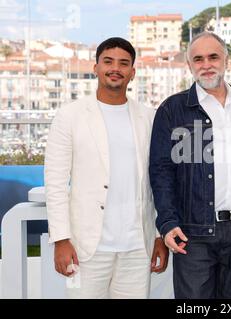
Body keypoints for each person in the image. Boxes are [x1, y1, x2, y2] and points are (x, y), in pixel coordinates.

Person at [44, 37, 168, 299]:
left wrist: (158, 235)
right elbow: (55, 183)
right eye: (108, 61)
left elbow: (158, 181)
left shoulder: (149, 118)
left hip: (137, 247)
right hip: (86, 247)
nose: (116, 68)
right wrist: (61, 239)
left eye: (124, 63)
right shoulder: (70, 116)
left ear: (132, 72)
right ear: (96, 67)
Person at [149, 32, 231, 299]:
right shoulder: (172, 109)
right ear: (189, 65)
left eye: (213, 56)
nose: (206, 64)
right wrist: (167, 222)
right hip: (193, 232)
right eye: (198, 59)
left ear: (226, 60)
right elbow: (160, 171)